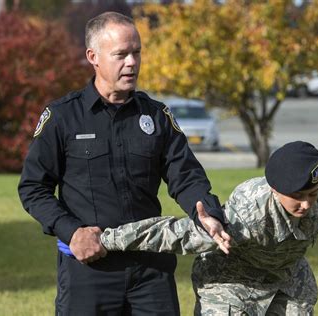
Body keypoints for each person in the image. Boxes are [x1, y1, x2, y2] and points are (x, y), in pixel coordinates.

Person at [18, 11, 230, 315]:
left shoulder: (156, 116)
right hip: (90, 270)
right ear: (93, 56)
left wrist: (207, 213)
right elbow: (33, 188)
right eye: (121, 54)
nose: (132, 62)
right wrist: (72, 232)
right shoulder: (63, 117)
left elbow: (186, 176)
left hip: (151, 268)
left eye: (137, 52)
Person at [100, 141, 318, 315]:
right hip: (230, 281)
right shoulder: (246, 217)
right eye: (297, 196)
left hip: (286, 277)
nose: (306, 204)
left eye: (311, 194)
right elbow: (176, 234)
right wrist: (107, 239)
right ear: (275, 189)